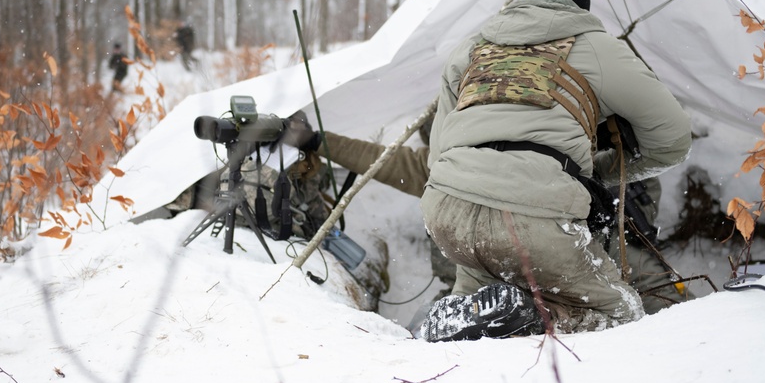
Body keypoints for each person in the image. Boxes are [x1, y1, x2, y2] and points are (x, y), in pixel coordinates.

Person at [417, 0, 692, 341]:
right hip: (533, 211)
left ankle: (444, 331)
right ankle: (530, 316)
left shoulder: (471, 49)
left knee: (473, 300)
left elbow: (438, 152)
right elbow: (674, 140)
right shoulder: (596, 46)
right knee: (621, 312)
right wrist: (601, 170)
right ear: (581, 5)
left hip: (449, 210)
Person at [283, 113, 692, 315]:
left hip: (581, 261)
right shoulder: (447, 161)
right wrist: (319, 141)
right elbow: (384, 160)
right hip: (498, 283)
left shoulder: (556, 143)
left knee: (652, 295)